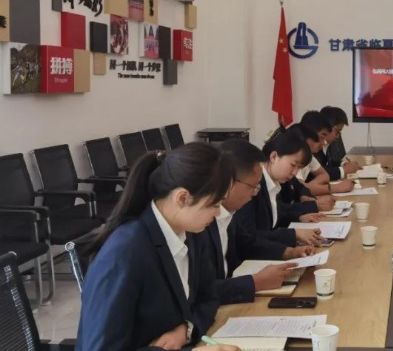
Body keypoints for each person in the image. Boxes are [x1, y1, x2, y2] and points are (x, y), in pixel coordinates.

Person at [76, 143, 230, 351]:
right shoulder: (124, 253)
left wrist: (187, 329)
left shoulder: (192, 232)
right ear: (182, 198)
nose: (218, 213)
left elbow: (208, 297)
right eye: (214, 204)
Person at [203, 138, 314, 305]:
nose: (255, 193)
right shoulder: (199, 224)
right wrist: (255, 282)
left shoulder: (228, 213)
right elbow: (199, 293)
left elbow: (248, 243)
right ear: (229, 183)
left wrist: (289, 252)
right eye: (253, 187)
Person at [236, 132, 325, 247]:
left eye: (299, 168)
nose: (295, 173)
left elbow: (276, 217)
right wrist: (293, 236)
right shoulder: (253, 186)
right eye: (293, 165)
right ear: (274, 157)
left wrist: (299, 218)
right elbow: (249, 236)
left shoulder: (275, 181)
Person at [300, 110, 359, 183]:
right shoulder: (306, 150)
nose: (338, 136)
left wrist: (343, 164)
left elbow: (327, 166)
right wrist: (343, 171)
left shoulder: (325, 144)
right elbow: (313, 175)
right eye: (337, 131)